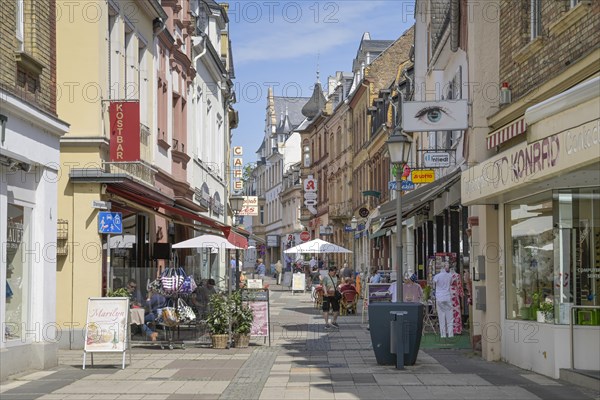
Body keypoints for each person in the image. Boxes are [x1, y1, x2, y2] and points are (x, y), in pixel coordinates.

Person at [433, 263, 454, 338]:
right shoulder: (450, 275)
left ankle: (443, 334)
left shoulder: (437, 276)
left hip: (439, 297)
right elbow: (451, 283)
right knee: (450, 316)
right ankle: (451, 334)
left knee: (441, 316)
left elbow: (434, 284)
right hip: (447, 296)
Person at [450, 267, 464, 334]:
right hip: (455, 294)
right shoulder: (457, 275)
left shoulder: (447, 276)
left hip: (448, 294)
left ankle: (450, 330)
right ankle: (458, 330)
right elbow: (459, 285)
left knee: (449, 312)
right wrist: (461, 294)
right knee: (456, 311)